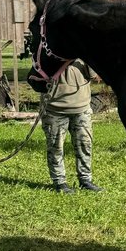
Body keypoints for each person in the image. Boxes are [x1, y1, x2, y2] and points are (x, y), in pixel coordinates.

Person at [42, 60, 102, 193]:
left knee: (85, 145)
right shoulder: (49, 50)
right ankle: (60, 182)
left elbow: (94, 76)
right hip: (54, 108)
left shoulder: (82, 51)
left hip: (82, 108)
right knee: (55, 147)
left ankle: (85, 180)